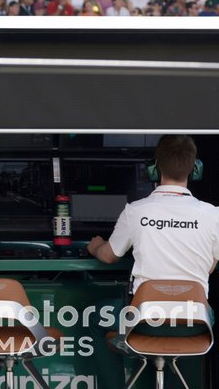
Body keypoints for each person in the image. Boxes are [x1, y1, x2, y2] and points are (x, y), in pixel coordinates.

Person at [87, 135, 219, 386]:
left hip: (144, 321)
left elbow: (109, 256)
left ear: (154, 167)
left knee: (94, 316)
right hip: (197, 322)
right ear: (195, 168)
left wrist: (94, 247)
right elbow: (209, 267)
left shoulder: (137, 210)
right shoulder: (214, 215)